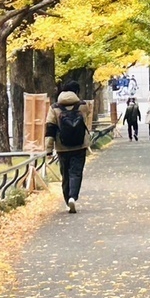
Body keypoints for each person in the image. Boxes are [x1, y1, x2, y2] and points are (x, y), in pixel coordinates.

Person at [45, 80, 91, 213]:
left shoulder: (54, 108)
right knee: (76, 173)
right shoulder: (82, 106)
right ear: (76, 92)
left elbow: (50, 129)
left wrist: (49, 150)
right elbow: (86, 118)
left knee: (65, 174)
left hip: (62, 147)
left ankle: (67, 201)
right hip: (79, 145)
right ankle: (73, 197)